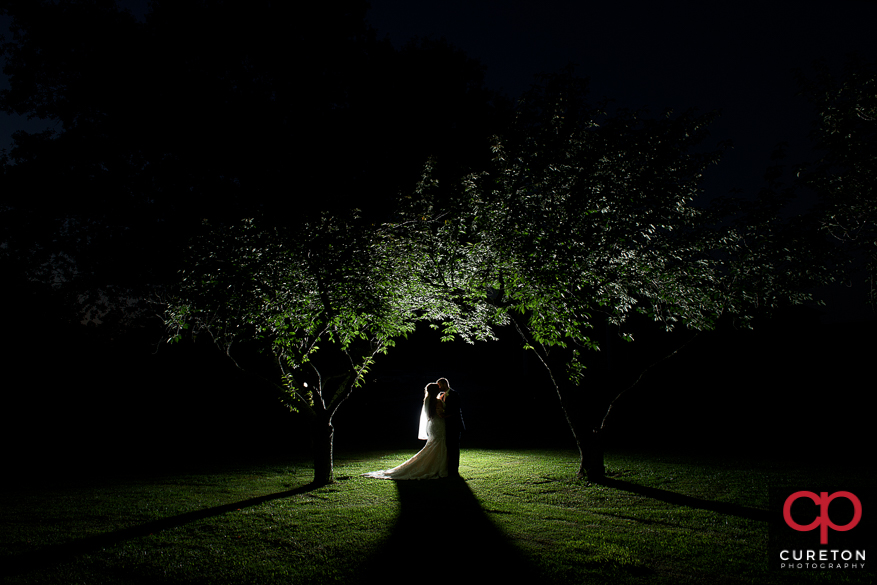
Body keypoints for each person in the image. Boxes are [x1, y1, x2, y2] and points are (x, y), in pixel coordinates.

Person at [362, 383, 448, 480]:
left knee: (433, 445)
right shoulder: (437, 402)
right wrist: (451, 414)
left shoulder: (427, 400)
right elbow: (441, 414)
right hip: (438, 425)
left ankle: (431, 465)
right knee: (439, 444)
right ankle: (438, 467)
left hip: (431, 425)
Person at [437, 377, 464, 478]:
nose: (439, 388)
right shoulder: (442, 395)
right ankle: (449, 467)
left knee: (454, 447)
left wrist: (445, 416)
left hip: (455, 425)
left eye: (439, 385)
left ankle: (454, 469)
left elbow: (456, 410)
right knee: (448, 447)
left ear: (444, 384)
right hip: (446, 426)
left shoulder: (454, 394)